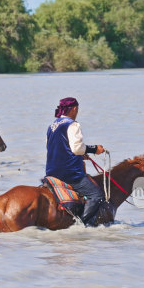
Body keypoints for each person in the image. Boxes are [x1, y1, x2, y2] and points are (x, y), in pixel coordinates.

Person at [46, 97, 106, 226]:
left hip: (51, 172)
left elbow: (54, 148)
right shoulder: (72, 124)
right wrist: (94, 149)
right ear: (74, 109)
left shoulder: (51, 126)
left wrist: (80, 155)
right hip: (69, 173)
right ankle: (81, 225)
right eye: (77, 109)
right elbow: (77, 148)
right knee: (97, 195)